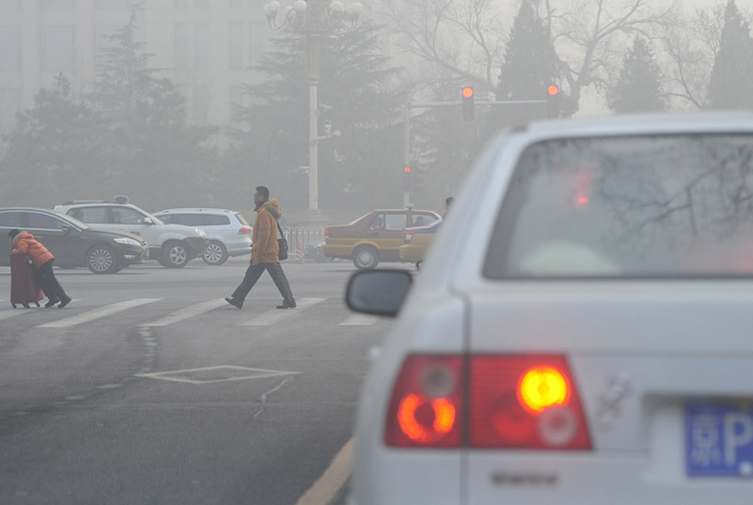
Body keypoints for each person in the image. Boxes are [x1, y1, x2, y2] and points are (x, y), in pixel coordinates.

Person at [225, 186, 296, 310]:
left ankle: (289, 300)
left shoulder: (264, 212)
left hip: (266, 253)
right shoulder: (267, 210)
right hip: (267, 252)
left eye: (255, 195)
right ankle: (238, 299)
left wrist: (259, 252)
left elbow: (265, 235)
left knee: (275, 278)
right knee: (252, 276)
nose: (254, 197)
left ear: (261, 197)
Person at [8, 229, 72, 308]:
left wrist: (14, 250)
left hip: (42, 260)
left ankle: (63, 298)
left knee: (51, 280)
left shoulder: (21, 240)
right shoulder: (25, 238)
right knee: (41, 280)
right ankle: (52, 298)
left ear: (14, 237)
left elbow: (22, 250)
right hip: (44, 259)